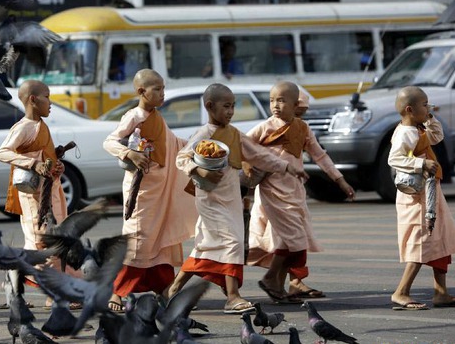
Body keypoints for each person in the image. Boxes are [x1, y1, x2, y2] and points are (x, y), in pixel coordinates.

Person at [166, 83, 308, 314]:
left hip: (230, 197)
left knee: (205, 246)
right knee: (232, 242)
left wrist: (286, 167)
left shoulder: (234, 134)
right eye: (226, 106)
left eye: (233, 106)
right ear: (210, 107)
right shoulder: (204, 133)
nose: (230, 112)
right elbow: (182, 158)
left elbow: (259, 155)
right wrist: (197, 169)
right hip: (210, 199)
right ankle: (233, 297)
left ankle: (174, 288)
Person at [245, 81, 355, 303]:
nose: (275, 105)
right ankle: (269, 279)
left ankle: (277, 286)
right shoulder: (265, 127)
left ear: (296, 105)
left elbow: (320, 155)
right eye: (272, 100)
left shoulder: (303, 128)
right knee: (293, 239)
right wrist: (248, 174)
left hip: (295, 190)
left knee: (288, 241)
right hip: (271, 190)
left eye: (282, 101)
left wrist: (340, 180)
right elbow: (244, 146)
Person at [103, 69, 197, 312]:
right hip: (142, 191)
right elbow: (110, 141)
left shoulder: (157, 116)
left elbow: (172, 144)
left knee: (161, 239)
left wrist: (197, 145)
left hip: (161, 190)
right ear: (141, 92)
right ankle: (117, 291)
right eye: (157, 89)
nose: (162, 94)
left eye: (163, 88)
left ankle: (164, 287)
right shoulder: (134, 116)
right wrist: (129, 152)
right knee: (139, 239)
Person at [387, 86, 455, 310]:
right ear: (409, 109)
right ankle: (401, 292)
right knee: (422, 240)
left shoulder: (418, 127)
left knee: (439, 239)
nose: (428, 107)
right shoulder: (405, 132)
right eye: (424, 105)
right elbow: (394, 159)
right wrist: (421, 163)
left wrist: (430, 117)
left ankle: (441, 293)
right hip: (415, 196)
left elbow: (437, 137)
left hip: (430, 190)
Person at [0, 80, 67, 308]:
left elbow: (46, 157)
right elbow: (2, 153)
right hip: (34, 195)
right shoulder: (24, 126)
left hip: (50, 190)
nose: (51, 103)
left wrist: (55, 166)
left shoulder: (41, 125)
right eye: (47, 97)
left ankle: (15, 278)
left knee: (45, 240)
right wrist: (32, 164)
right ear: (33, 100)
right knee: (44, 241)